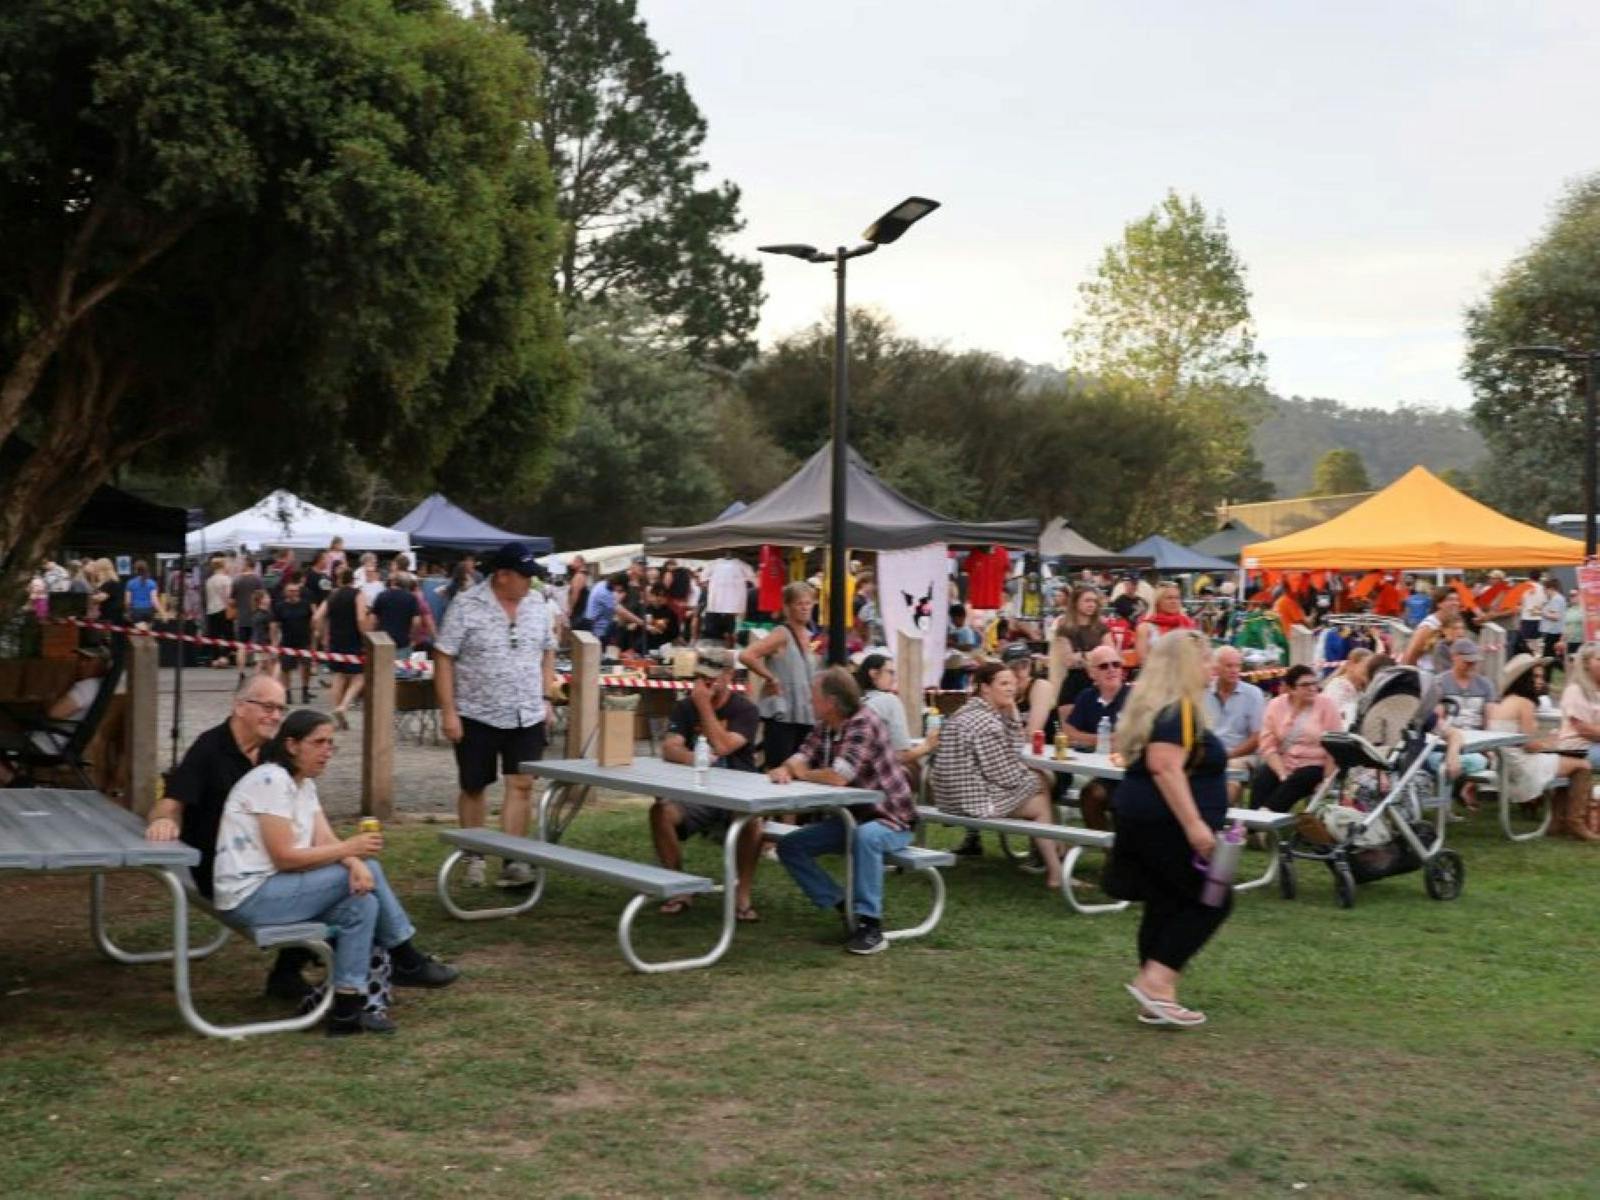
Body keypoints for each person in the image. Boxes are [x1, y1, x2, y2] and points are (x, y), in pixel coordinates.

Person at [211, 708, 458, 1035]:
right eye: (319, 742)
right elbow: (285, 857)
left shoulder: (303, 785)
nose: (327, 750)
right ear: (292, 745)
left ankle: (347, 1010)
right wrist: (352, 853)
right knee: (367, 869)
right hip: (249, 897)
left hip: (277, 889)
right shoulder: (271, 780)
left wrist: (354, 862)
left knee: (362, 903)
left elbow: (325, 839)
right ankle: (406, 957)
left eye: (331, 743)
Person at [144, 676, 319, 1001]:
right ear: (240, 706)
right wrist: (165, 820)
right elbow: (171, 801)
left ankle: (292, 972)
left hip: (269, 858)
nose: (276, 716)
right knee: (325, 881)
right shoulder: (210, 747)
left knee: (325, 873)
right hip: (223, 869)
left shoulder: (274, 751)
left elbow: (304, 802)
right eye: (268, 707)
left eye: (281, 708)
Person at [1110, 630, 1231, 1028]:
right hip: (1165, 824)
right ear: (1185, 666)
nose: (1211, 667)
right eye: (1206, 659)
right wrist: (1196, 825)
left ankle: (1158, 998)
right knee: (1214, 897)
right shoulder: (1177, 710)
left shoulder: (1158, 709)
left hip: (1142, 819)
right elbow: (1165, 765)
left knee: (1165, 900)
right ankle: (1156, 980)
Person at [768, 668, 919, 956]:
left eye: (815, 697)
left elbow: (840, 776)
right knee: (790, 846)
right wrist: (784, 769)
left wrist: (801, 773)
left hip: (892, 818)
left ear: (831, 702)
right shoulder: (826, 725)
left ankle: (870, 925)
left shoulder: (864, 722)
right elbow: (801, 756)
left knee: (866, 837)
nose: (811, 702)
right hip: (852, 818)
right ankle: (844, 906)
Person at [434, 542, 559, 889]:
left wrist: (546, 696)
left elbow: (548, 650)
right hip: (476, 712)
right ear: (502, 576)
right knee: (474, 786)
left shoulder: (537, 604)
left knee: (521, 784)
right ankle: (473, 855)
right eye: (525, 576)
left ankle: (513, 858)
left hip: (527, 713)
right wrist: (449, 711)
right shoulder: (466, 605)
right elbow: (443, 656)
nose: (530, 583)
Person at [649, 649, 765, 920]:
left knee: (752, 822)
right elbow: (670, 747)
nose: (705, 684)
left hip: (738, 790)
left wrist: (704, 707)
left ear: (729, 676)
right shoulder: (684, 706)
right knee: (660, 812)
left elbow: (725, 746)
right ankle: (678, 887)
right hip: (698, 791)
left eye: (711, 678)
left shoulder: (745, 710)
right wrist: (699, 759)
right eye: (700, 677)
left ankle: (742, 895)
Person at [930, 660, 1064, 889]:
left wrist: (1011, 713)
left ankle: (1052, 851)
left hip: (948, 798)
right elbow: (1004, 775)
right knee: (1041, 793)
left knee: (1038, 781)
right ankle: (1055, 868)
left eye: (1013, 684)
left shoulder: (965, 713)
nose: (1011, 688)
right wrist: (1036, 778)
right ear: (985, 687)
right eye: (1003, 683)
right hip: (969, 802)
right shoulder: (986, 723)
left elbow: (1009, 752)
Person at [1492, 654, 1596, 841]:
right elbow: (1530, 745)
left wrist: (1547, 744)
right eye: (1536, 677)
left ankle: (1557, 821)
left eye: (1541, 677)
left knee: (1569, 764)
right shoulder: (1525, 704)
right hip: (1522, 765)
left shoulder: (1506, 702)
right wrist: (1549, 743)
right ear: (1524, 680)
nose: (1541, 681)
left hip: (1505, 765)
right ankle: (1575, 822)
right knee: (1583, 765)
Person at [739, 582, 819, 769]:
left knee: (802, 769)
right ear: (788, 607)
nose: (805, 608)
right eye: (800, 603)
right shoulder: (782, 633)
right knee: (779, 767)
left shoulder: (809, 635)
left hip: (805, 712)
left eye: (808, 603)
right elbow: (747, 655)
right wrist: (770, 677)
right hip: (784, 713)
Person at [1251, 664, 1342, 813]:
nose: (1312, 688)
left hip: (1315, 765)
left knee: (1299, 779)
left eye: (1314, 683)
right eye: (1305, 685)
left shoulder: (1327, 705)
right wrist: (1281, 772)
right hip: (1283, 761)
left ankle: (1266, 814)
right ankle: (1253, 828)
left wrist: (1326, 781)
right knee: (1263, 777)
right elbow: (1267, 745)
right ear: (1291, 689)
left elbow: (1335, 746)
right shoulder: (1275, 705)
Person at [1060, 644, 1132, 828]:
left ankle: (1121, 850)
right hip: (1104, 775)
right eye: (1104, 666)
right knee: (1091, 795)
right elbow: (1068, 733)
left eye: (1116, 664)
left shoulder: (1134, 696)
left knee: (1124, 800)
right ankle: (1109, 853)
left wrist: (1086, 739)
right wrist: (1102, 740)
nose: (1111, 670)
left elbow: (1128, 741)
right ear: (1092, 674)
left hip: (1133, 775)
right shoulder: (1086, 697)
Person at [853, 654, 939, 776]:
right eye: (890, 672)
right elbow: (901, 756)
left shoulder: (855, 701)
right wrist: (928, 745)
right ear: (873, 673)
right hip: (877, 778)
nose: (894, 679)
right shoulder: (889, 701)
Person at [1204, 646, 1266, 803]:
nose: (1234, 670)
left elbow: (1256, 737)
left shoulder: (1253, 694)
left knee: (1231, 773)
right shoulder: (1202, 693)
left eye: (1237, 666)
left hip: (1242, 754)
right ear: (1216, 668)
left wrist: (1226, 756)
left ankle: (1224, 820)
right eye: (1229, 666)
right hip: (1209, 753)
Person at [321, 567, 369, 730]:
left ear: (339, 580)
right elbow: (361, 618)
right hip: (353, 640)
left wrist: (323, 635)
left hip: (335, 640)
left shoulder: (332, 596)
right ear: (353, 580)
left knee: (338, 676)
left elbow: (317, 617)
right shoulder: (358, 594)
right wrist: (365, 636)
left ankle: (336, 714)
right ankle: (343, 706)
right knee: (359, 677)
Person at [1051, 585, 1114, 707]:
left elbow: (1110, 652)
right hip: (1074, 683)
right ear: (1075, 603)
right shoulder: (1065, 629)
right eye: (1087, 601)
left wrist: (1083, 656)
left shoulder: (1101, 628)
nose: (1092, 605)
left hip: (1098, 682)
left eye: (1094, 601)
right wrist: (1091, 655)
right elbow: (1068, 660)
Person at [271, 579, 318, 704]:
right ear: (285, 592)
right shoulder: (280, 606)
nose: (294, 593)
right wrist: (274, 642)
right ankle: (287, 692)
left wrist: (314, 637)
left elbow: (313, 622)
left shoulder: (306, 604)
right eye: (291, 591)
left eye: (296, 591)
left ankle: (305, 690)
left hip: (304, 641)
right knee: (286, 669)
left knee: (306, 667)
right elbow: (274, 625)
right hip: (287, 642)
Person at [1133, 583, 1197, 665]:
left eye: (1177, 598)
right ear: (1157, 602)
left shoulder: (1188, 624)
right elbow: (1142, 660)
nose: (1174, 602)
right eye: (1169, 598)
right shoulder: (1145, 627)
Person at [369, 570, 421, 652]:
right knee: (400, 664)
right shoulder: (411, 598)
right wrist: (412, 636)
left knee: (382, 664)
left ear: (394, 582)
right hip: (402, 642)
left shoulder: (382, 596)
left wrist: (371, 636)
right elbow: (416, 621)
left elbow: (373, 619)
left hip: (382, 641)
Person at [1320, 647, 1374, 727]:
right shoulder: (1337, 687)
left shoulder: (1360, 691)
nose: (1369, 671)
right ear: (1351, 665)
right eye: (1366, 666)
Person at [643, 582, 682, 651]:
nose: (660, 598)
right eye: (657, 595)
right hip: (647, 648)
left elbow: (675, 636)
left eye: (663, 596)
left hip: (665, 649)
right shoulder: (645, 611)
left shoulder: (671, 613)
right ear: (651, 596)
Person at [125, 559, 162, 627]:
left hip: (136, 611)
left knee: (138, 635)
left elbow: (128, 601)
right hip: (149, 612)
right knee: (146, 634)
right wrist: (162, 612)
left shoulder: (130, 583)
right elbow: (154, 601)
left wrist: (128, 612)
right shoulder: (152, 583)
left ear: (135, 570)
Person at [1517, 572, 1546, 656]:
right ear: (1539, 578)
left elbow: (1520, 603)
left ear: (1529, 577)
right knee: (1538, 641)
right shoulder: (1542, 588)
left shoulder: (1524, 588)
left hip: (1526, 618)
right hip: (1539, 617)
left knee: (1527, 642)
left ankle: (1530, 658)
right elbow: (1544, 603)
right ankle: (1537, 658)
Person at [1539, 582, 1568, 661]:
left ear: (1551, 589)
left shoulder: (1556, 599)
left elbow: (1556, 616)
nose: (1544, 592)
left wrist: (1543, 613)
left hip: (1553, 632)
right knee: (1553, 656)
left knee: (1548, 657)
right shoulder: (1557, 599)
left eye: (1545, 590)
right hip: (1554, 632)